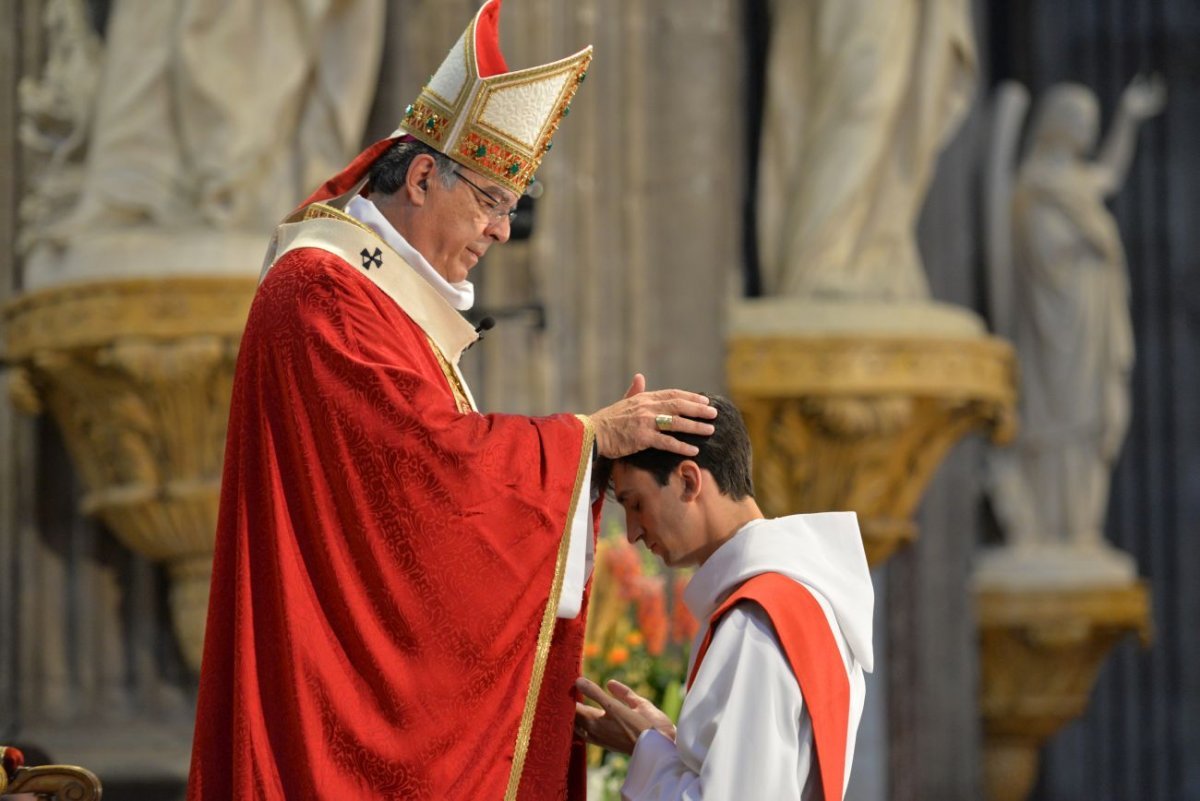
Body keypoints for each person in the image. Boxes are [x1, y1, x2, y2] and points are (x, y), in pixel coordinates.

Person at [186, 2, 716, 799]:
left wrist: (586, 461)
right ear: (426, 174)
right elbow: (423, 476)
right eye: (493, 201)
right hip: (322, 704)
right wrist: (583, 439)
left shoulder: (377, 303)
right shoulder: (320, 292)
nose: (502, 231)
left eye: (511, 206)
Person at [575, 395, 874, 800]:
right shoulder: (801, 596)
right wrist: (665, 742)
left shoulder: (758, 619)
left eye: (636, 504)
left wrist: (647, 746)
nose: (631, 532)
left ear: (688, 480)